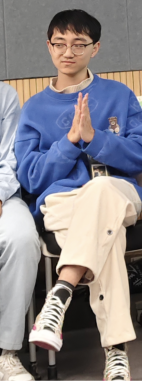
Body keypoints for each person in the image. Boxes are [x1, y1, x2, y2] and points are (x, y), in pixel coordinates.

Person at [16, 10, 142, 381]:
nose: (68, 52)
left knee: (101, 190)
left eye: (79, 44)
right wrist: (69, 142)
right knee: (107, 242)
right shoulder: (34, 109)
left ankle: (61, 291)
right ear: (49, 47)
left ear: (95, 48)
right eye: (60, 44)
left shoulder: (118, 95)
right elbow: (31, 177)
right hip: (63, 203)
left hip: (116, 192)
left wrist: (96, 138)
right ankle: (116, 352)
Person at [0, 82, 41, 382]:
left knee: (23, 239)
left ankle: (7, 353)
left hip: (3, 194)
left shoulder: (5, 95)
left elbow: (8, 160)